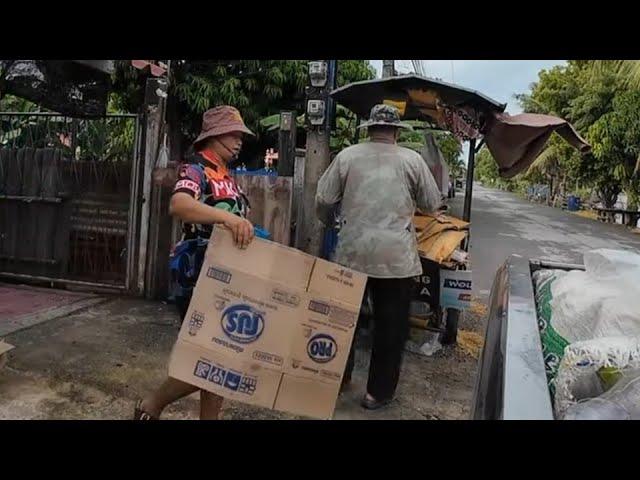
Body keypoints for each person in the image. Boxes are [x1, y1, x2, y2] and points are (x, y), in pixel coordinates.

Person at [315, 104, 441, 410]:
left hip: (351, 254)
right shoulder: (412, 160)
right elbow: (432, 202)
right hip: (396, 259)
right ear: (396, 132)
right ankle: (377, 393)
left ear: (369, 129)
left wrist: (331, 222)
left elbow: (323, 199)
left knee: (344, 322)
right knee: (391, 328)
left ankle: (338, 379)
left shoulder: (347, 156)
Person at [134, 105, 255, 420]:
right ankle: (153, 403)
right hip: (197, 270)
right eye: (233, 134)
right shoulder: (196, 168)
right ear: (213, 136)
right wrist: (227, 220)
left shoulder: (226, 173)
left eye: (241, 134)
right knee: (213, 357)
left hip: (223, 273)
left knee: (217, 355)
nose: (240, 140)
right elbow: (180, 204)